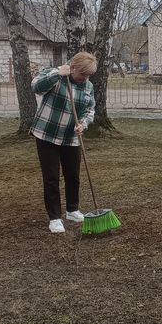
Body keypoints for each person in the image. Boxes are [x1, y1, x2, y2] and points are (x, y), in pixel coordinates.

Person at [31, 51, 97, 232]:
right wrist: (57, 74)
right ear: (73, 67)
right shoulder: (57, 75)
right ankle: (54, 218)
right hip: (47, 134)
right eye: (83, 74)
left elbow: (90, 109)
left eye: (89, 75)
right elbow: (36, 86)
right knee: (51, 177)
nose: (86, 78)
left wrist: (83, 124)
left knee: (73, 175)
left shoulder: (88, 86)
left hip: (71, 137)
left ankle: (72, 210)